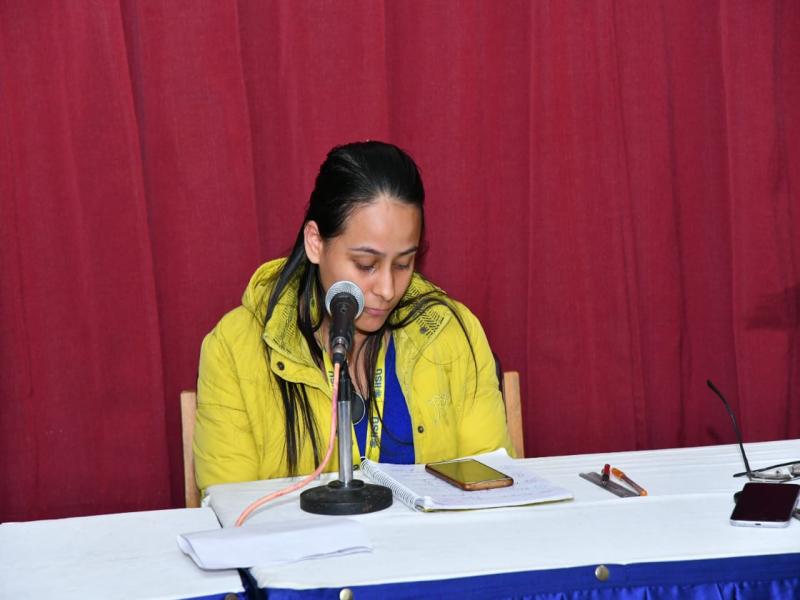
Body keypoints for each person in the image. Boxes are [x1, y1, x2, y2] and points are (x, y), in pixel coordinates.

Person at [194, 141, 513, 493]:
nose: (387, 289)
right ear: (315, 243)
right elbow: (231, 508)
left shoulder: (451, 334)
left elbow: (491, 487)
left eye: (404, 263)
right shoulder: (235, 350)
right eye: (365, 265)